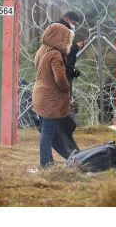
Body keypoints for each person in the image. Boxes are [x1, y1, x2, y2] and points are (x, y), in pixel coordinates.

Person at [32, 23, 76, 168]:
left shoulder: (43, 49)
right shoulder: (55, 54)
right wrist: (66, 89)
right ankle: (45, 162)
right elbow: (60, 78)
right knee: (48, 132)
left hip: (40, 94)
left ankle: (48, 160)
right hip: (50, 98)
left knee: (46, 130)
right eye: (67, 40)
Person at [54, 11, 84, 97]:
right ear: (66, 19)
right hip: (63, 70)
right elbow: (63, 50)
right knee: (64, 99)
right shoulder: (62, 30)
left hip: (66, 69)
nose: (74, 25)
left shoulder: (63, 30)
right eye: (73, 23)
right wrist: (76, 47)